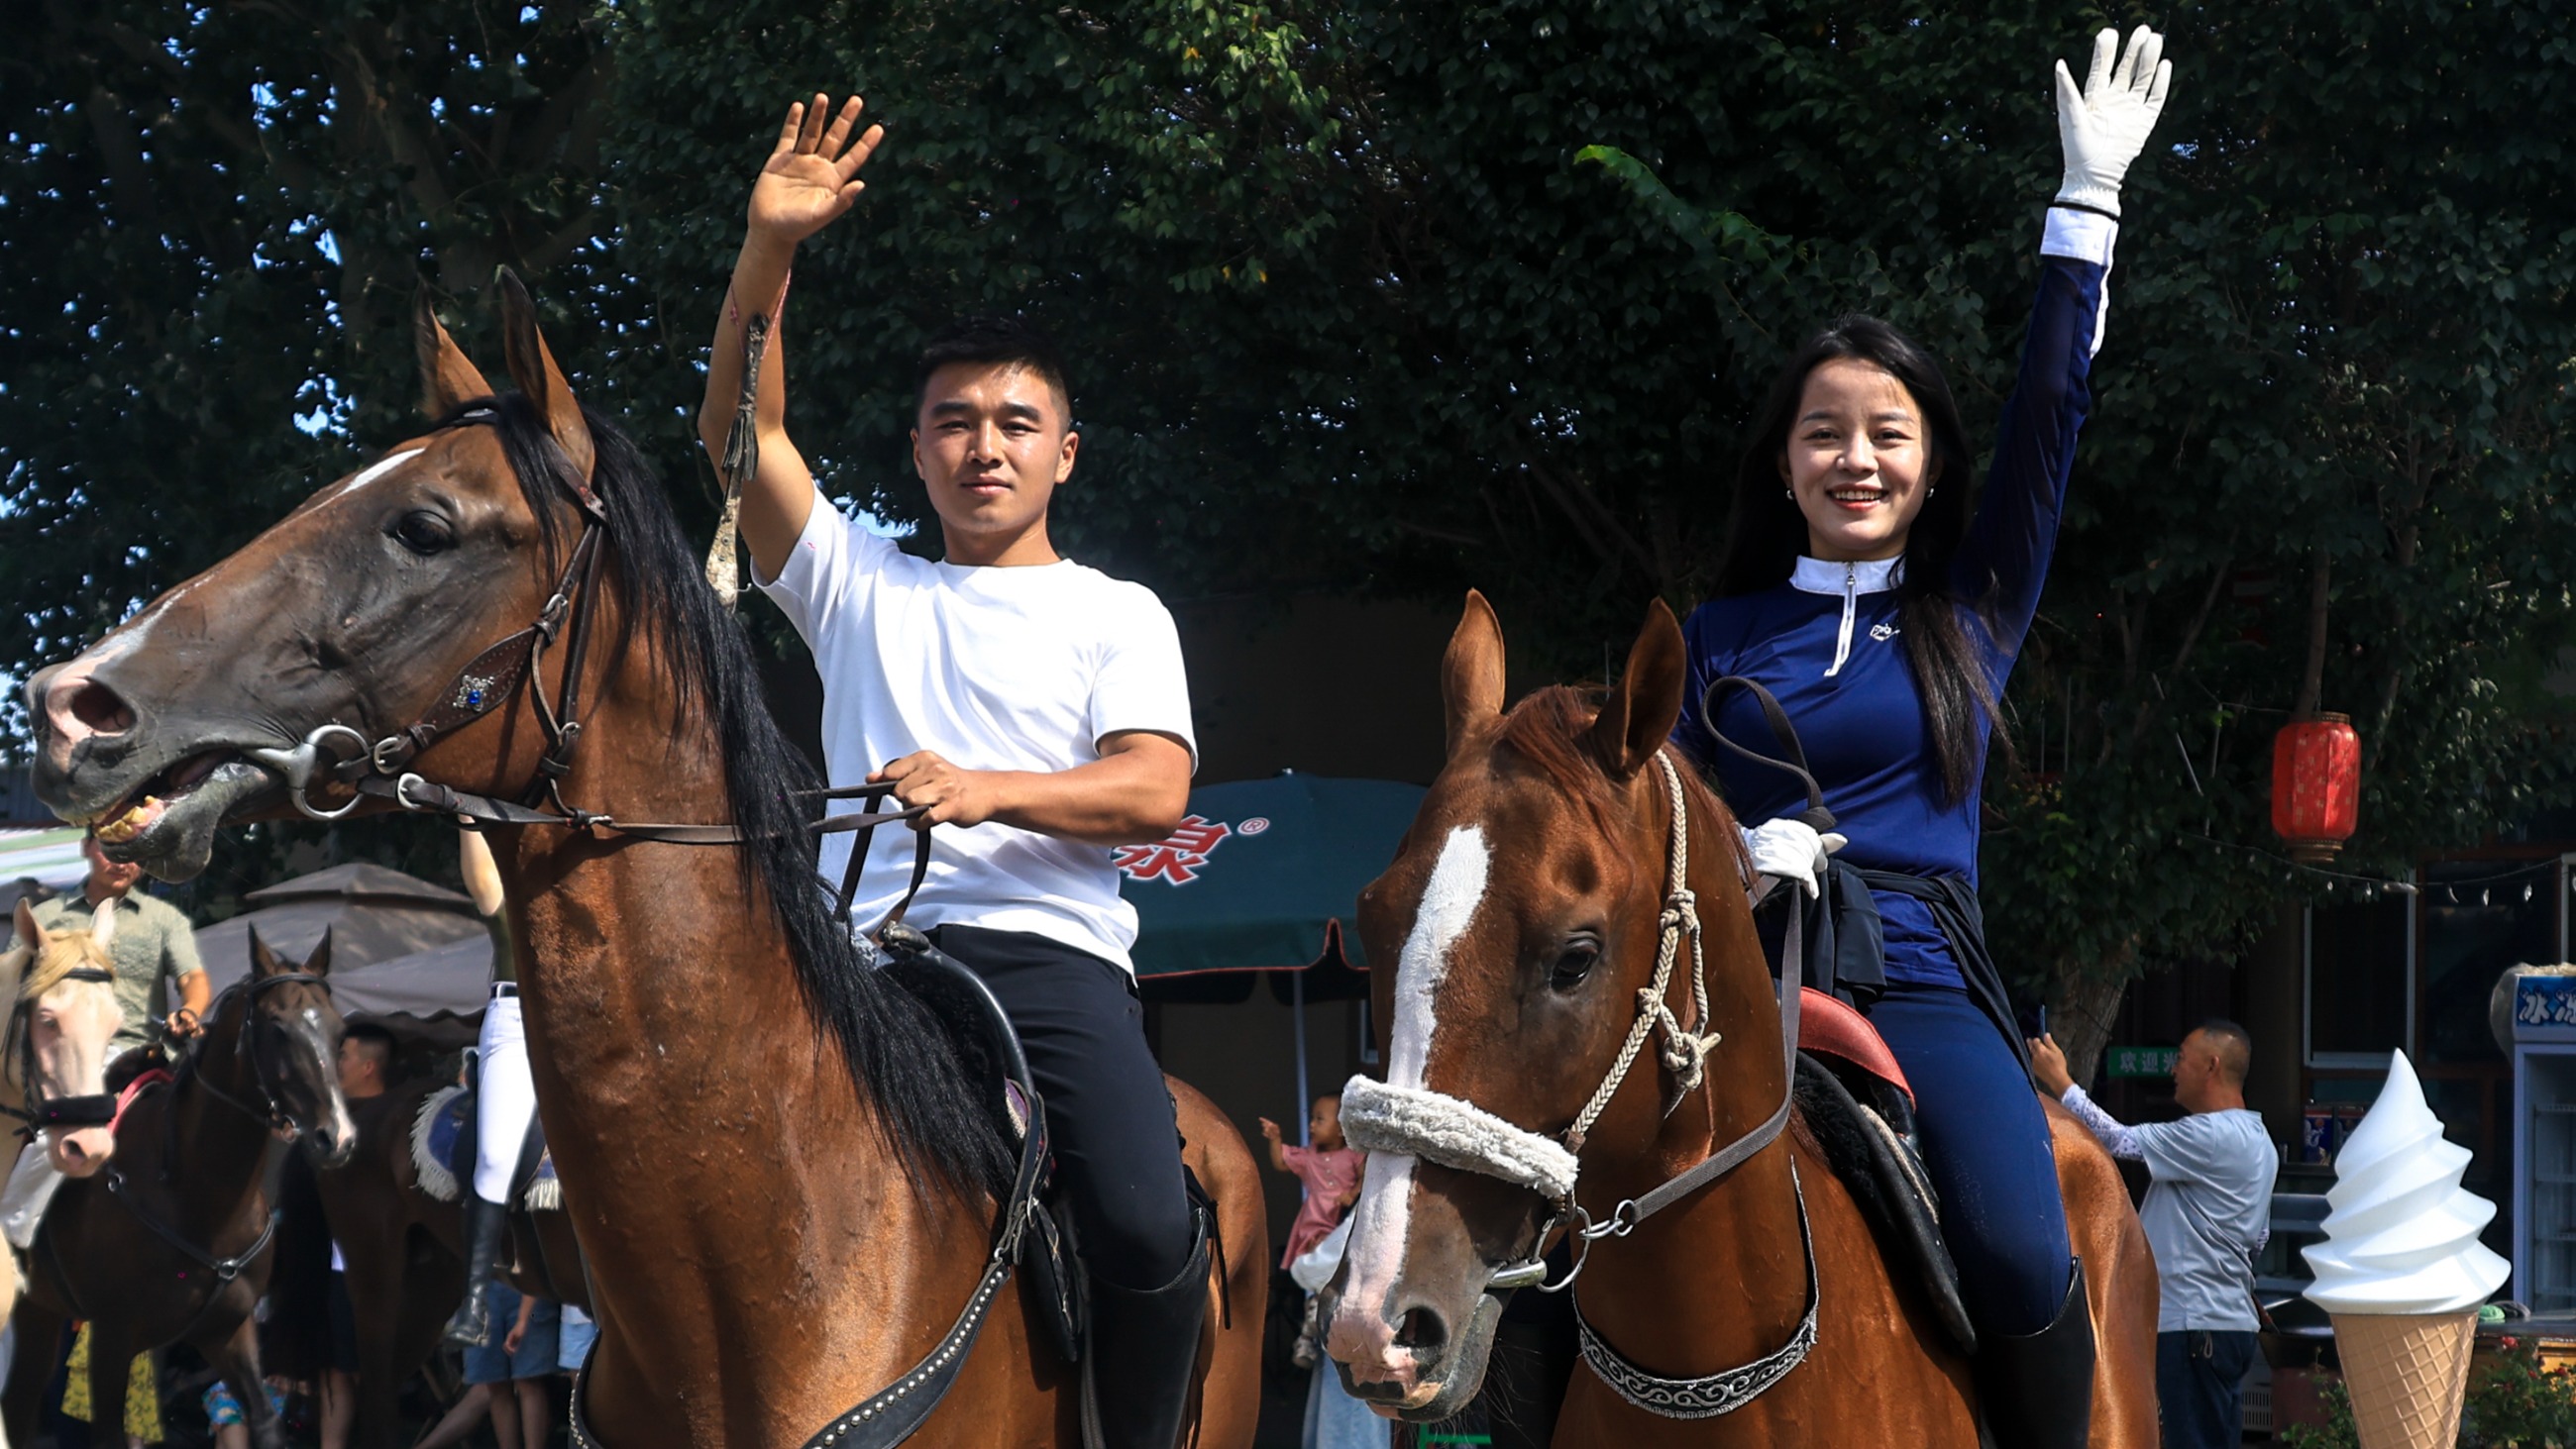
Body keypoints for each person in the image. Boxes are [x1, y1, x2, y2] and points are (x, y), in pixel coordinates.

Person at [1671, 30, 2173, 1449]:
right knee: (1557, 1236)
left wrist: (2085, 206)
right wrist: (1732, 854)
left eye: (1886, 433)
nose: (1855, 459)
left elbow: (2050, 417)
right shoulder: (1715, 633)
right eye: (1823, 433)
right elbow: (1655, 810)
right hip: (1729, 966)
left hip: (1918, 970)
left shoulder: (1970, 610)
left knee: (2017, 1245)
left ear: (1930, 462)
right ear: (1784, 463)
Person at [699, 93, 1203, 1447]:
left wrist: (985, 788)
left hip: (1049, 960)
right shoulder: (859, 583)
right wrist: (768, 249)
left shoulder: (1118, 611)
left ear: (1065, 452)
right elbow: (739, 438)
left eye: (1018, 421)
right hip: (848, 962)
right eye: (956, 420)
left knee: (1149, 1222)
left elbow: (1152, 789)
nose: (987, 445)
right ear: (916, 449)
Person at [2031, 1022, 2278, 1449]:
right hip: (2231, 1324)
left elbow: (2119, 1141)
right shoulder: (2261, 1143)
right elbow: (2259, 1238)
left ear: (2212, 1066)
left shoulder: (2212, 1135)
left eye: (2181, 1058)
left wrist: (2061, 1082)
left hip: (2192, 1323)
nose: (2173, 1069)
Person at [445, 828, 531, 1348]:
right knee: (496, 1155)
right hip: (519, 1019)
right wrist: (467, 813)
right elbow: (482, 880)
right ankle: (474, 1301)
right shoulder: (515, 886)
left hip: (590, 1018)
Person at [1259, 1095, 1382, 1449]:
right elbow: (1283, 1161)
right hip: (1316, 1238)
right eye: (1311, 1118)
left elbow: (1315, 1267)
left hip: (1337, 1260)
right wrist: (1275, 1139)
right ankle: (1309, 1328)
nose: (1312, 1125)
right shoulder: (1312, 1157)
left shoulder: (1359, 1172)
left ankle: (1308, 1331)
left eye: (1319, 1119)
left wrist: (1352, 1193)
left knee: (1347, 1392)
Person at [15, 829, 206, 1057]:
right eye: (111, 849)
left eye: (134, 853)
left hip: (143, 1057)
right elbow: (7, 981)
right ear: (85, 846)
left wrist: (190, 1011)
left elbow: (191, 976)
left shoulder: (165, 919)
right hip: (63, 1056)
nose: (121, 863)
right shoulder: (43, 918)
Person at [319, 1023, 395, 1449]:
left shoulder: (393, 1119)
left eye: (344, 1056)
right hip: (336, 1264)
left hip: (379, 1270)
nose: (337, 1065)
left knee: (372, 1371)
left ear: (368, 1066)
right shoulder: (334, 1116)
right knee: (335, 1369)